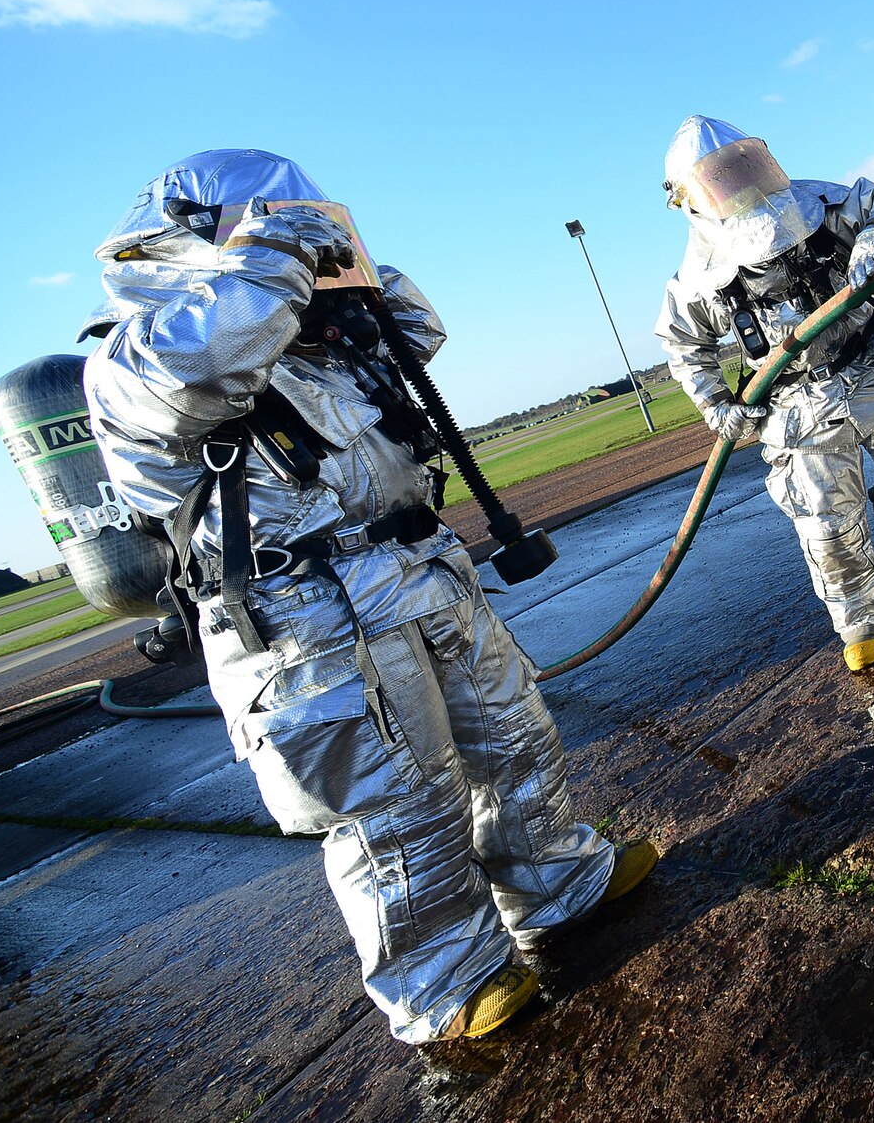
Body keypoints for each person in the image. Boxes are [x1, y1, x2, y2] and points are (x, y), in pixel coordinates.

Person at [82, 150, 655, 1045]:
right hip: (304, 617)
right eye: (277, 227)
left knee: (513, 733)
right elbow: (202, 371)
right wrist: (273, 255)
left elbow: (419, 327)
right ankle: (446, 980)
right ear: (190, 247)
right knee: (395, 807)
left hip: (416, 572)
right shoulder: (141, 356)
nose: (309, 250)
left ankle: (555, 881)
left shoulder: (323, 340)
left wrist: (346, 265)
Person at [653, 117, 874, 672]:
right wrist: (717, 406)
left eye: (742, 167)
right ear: (689, 201)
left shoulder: (824, 206)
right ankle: (860, 626)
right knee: (827, 527)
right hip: (795, 407)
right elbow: (684, 346)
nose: (738, 185)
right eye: (719, 179)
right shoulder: (700, 278)